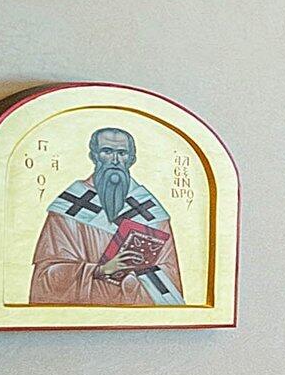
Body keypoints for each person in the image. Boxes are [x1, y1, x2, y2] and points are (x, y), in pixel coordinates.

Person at [30, 126, 182, 305]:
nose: (115, 160)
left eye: (122, 153)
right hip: (84, 315)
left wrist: (136, 276)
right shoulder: (69, 206)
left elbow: (169, 274)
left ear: (132, 159)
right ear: (94, 156)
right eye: (107, 152)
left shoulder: (151, 211)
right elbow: (47, 276)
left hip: (133, 312)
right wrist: (99, 270)